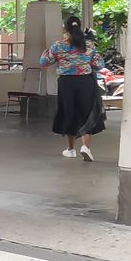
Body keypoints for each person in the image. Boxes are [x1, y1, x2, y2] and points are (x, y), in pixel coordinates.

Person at [35, 15, 104, 161]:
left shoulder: (58, 45)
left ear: (65, 28)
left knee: (69, 112)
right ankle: (86, 147)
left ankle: (71, 149)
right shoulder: (89, 45)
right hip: (86, 82)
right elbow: (99, 65)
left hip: (67, 83)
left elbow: (44, 62)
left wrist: (44, 54)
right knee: (87, 112)